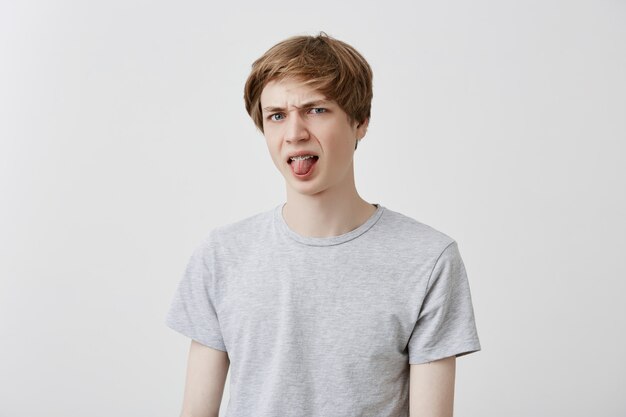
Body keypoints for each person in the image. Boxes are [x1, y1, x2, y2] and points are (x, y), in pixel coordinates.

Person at [165, 31, 481, 417]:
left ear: (360, 121)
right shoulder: (221, 255)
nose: (294, 133)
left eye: (316, 109)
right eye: (277, 116)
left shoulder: (428, 259)